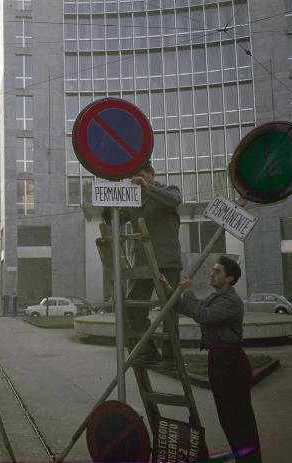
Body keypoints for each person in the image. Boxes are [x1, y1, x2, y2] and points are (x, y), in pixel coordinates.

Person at [160, 256, 261, 463]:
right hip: (221, 361)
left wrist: (188, 291)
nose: (212, 273)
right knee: (228, 418)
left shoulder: (230, 301)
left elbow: (203, 315)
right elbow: (191, 308)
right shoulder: (216, 297)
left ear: (229, 279)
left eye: (218, 271)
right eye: (213, 270)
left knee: (238, 419)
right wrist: (170, 289)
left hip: (230, 362)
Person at [103, 162, 182, 366]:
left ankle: (171, 357)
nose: (137, 180)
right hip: (143, 263)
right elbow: (116, 219)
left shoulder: (168, 190)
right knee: (133, 308)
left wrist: (147, 187)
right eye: (134, 177)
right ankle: (148, 351)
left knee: (169, 310)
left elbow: (174, 201)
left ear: (152, 174)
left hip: (167, 261)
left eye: (141, 175)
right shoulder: (133, 200)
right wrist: (106, 201)